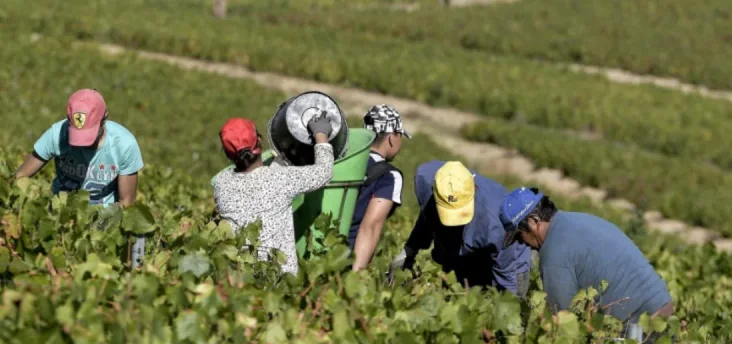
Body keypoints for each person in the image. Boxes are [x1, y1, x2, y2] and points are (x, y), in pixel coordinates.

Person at [499, 187, 674, 344]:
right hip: (662, 308)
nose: (522, 243)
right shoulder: (576, 220)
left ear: (533, 221)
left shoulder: (554, 251)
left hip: (641, 327)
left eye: (519, 235)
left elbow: (563, 321)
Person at [212, 112, 334, 276]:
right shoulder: (281, 179)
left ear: (227, 154)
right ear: (260, 141)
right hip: (280, 279)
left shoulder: (220, 183)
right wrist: (321, 134)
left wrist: (278, 166)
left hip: (243, 277)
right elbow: (324, 172)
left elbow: (255, 188)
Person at [389, 161, 532, 297]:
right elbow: (429, 215)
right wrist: (410, 249)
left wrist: (511, 308)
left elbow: (510, 278)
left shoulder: (499, 221)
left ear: (474, 190)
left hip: (509, 254)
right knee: (453, 286)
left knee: (503, 294)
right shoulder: (426, 181)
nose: (453, 222)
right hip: (463, 242)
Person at [16, 89, 143, 207]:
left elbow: (126, 202)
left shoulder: (124, 145)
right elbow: (20, 176)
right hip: (60, 209)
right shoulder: (57, 134)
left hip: (105, 213)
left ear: (104, 119)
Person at [348, 105, 410, 271]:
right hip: (346, 258)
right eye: (400, 136)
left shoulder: (342, 160)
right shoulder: (389, 176)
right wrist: (355, 277)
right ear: (392, 137)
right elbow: (371, 226)